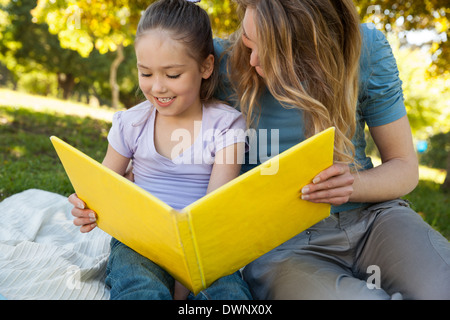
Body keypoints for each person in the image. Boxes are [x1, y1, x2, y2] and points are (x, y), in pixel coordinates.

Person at [211, 0, 449, 299]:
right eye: (247, 41)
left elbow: (404, 166)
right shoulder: (219, 61)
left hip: (374, 221)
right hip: (284, 246)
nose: (253, 59)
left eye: (271, 51)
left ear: (316, 48)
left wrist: (352, 186)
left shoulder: (366, 49)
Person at [69, 0, 251, 300]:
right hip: (139, 241)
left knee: (228, 293)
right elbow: (101, 185)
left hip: (204, 247)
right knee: (139, 287)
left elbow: (214, 212)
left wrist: (185, 277)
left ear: (205, 67)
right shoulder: (131, 122)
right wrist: (86, 206)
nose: (157, 87)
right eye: (146, 73)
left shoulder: (226, 125)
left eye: (172, 75)